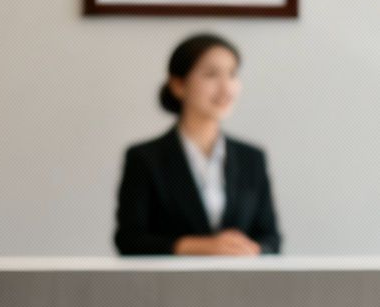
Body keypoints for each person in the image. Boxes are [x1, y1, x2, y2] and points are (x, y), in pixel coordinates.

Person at [115, 33, 281, 256]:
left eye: (232, 74)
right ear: (178, 85)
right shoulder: (145, 158)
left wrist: (255, 250)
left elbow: (271, 238)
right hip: (169, 286)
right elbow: (129, 240)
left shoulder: (251, 157)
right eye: (211, 75)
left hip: (241, 284)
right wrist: (199, 247)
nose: (226, 88)